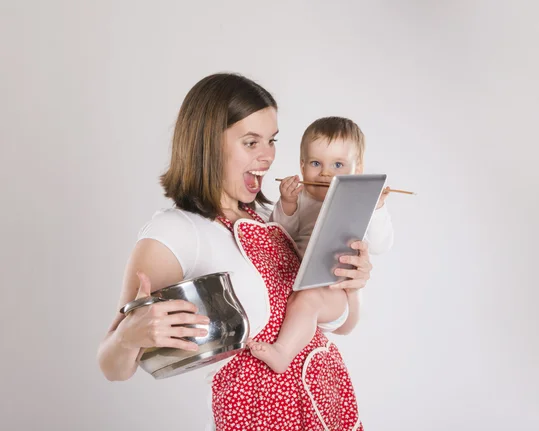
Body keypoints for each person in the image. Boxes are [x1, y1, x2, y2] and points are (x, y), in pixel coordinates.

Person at [97, 73, 374, 431]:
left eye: (271, 141)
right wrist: (128, 336)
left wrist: (355, 283)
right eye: (251, 142)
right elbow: (112, 367)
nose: (268, 156)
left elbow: (341, 325)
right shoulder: (176, 231)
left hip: (325, 399)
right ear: (208, 144)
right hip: (258, 414)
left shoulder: (272, 218)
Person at [248, 117, 394, 373]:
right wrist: (287, 205)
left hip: (334, 291)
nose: (326, 173)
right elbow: (280, 236)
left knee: (309, 298)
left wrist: (378, 207)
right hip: (299, 284)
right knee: (302, 299)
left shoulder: (358, 203)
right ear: (302, 165)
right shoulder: (299, 198)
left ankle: (283, 353)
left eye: (338, 164)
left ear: (357, 168)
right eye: (316, 163)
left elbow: (381, 244)